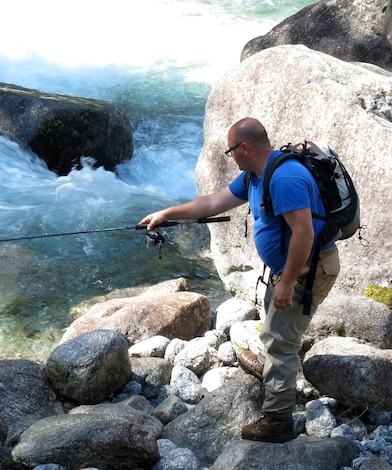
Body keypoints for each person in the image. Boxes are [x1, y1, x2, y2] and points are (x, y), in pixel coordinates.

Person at [139, 117, 340, 443]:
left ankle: (278, 420)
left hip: (306, 270)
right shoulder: (254, 176)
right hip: (288, 269)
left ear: (245, 148)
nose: (230, 156)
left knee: (281, 339)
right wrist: (167, 213)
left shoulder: (285, 177)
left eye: (231, 150)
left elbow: (304, 234)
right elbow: (212, 203)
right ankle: (270, 368)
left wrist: (287, 283)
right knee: (273, 323)